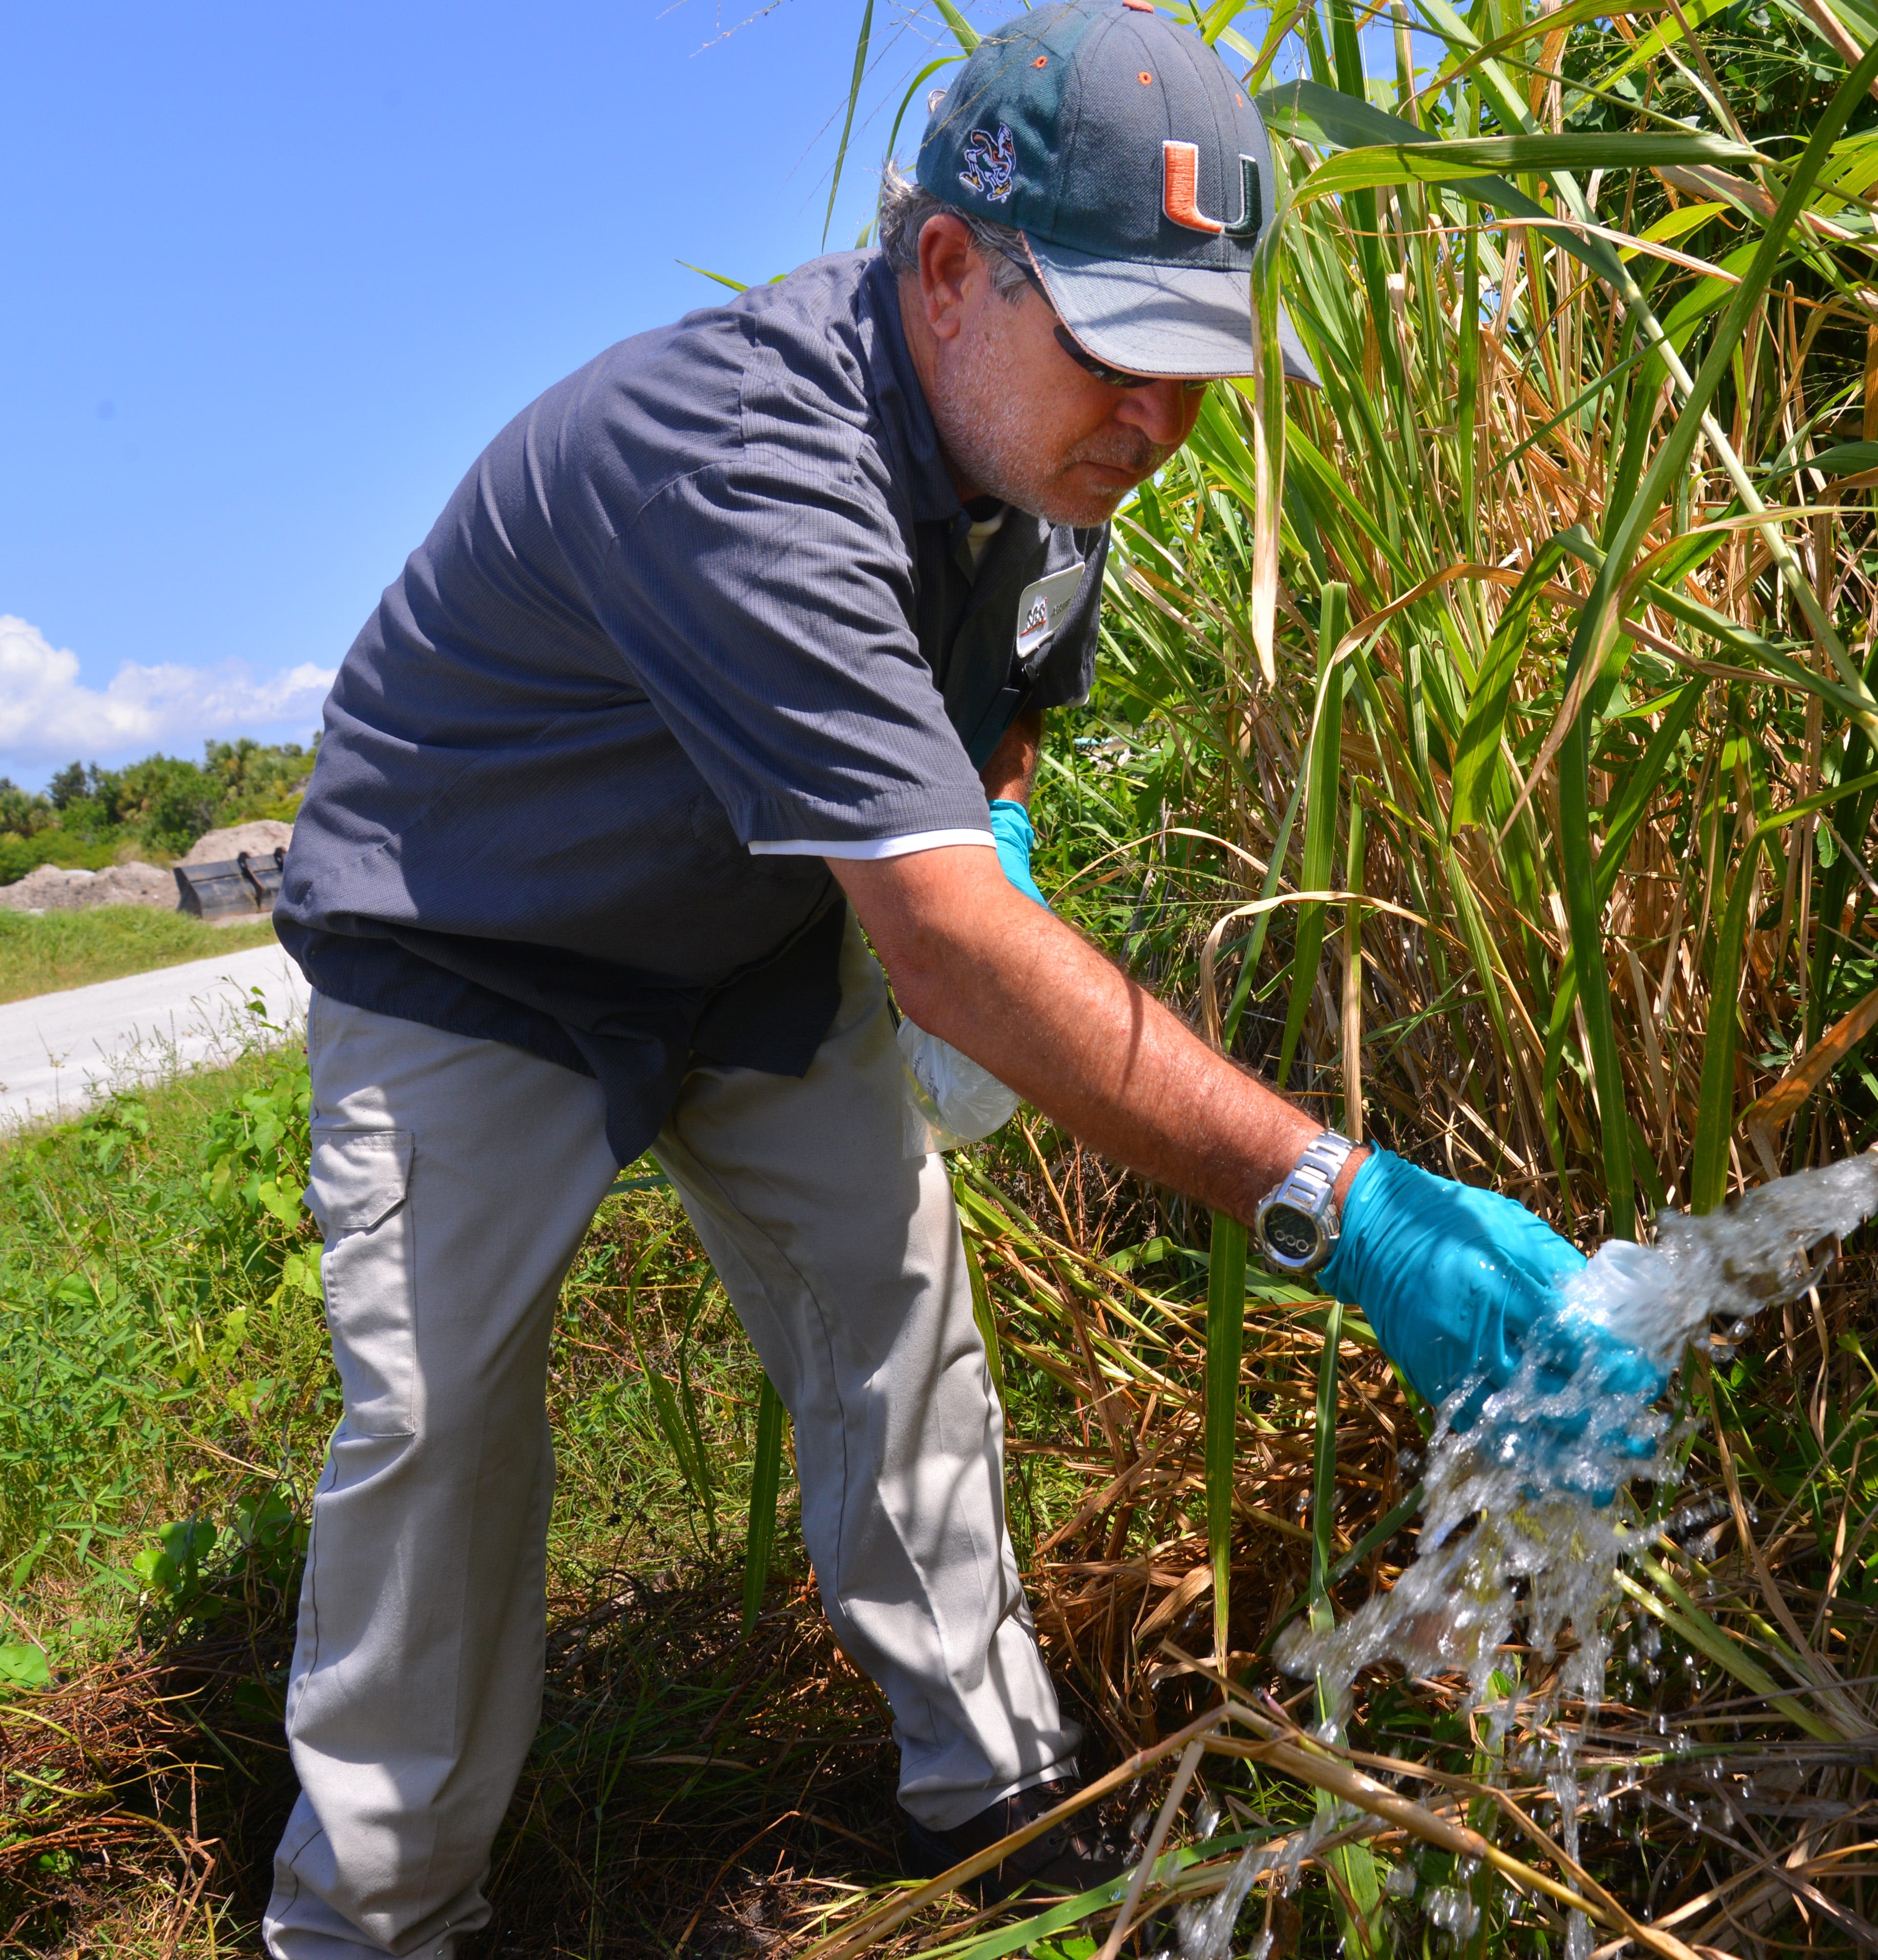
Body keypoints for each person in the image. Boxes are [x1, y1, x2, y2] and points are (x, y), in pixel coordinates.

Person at [262, 5, 1649, 1954]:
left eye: (1194, 368)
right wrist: (1340, 1201)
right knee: (442, 1425)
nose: (1155, 420)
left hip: (750, 933)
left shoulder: (1055, 472)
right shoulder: (749, 451)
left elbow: (990, 721)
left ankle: (989, 1787)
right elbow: (934, 937)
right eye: (1115, 348)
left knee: (896, 1316)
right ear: (943, 273)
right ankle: (379, 1915)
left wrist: (991, 821)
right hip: (473, 935)